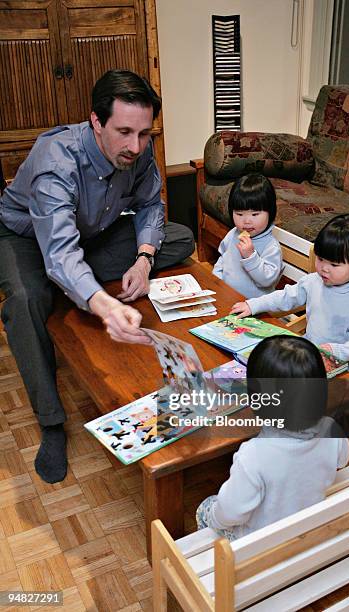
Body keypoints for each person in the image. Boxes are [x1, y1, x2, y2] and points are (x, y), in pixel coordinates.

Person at [0, 69, 194, 484]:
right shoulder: (57, 159)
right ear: (95, 121)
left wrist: (143, 260)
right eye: (124, 132)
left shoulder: (139, 150)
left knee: (178, 238)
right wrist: (102, 304)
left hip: (89, 234)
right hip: (27, 237)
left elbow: (151, 208)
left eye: (144, 134)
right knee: (25, 299)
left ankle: (68, 286)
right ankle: (51, 422)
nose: (135, 146)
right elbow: (59, 248)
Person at [196, 335, 349, 540]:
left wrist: (214, 517)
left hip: (260, 549)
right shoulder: (332, 429)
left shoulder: (253, 455)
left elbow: (230, 513)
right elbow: (343, 460)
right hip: (308, 529)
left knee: (206, 507)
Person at [231, 214, 349, 369]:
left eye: (334, 265)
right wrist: (253, 305)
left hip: (345, 365)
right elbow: (286, 296)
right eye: (320, 259)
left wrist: (337, 351)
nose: (324, 268)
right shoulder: (314, 281)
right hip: (311, 354)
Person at [212, 173, 282, 298]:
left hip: (254, 307)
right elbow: (223, 258)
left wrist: (250, 256)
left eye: (255, 214)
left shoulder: (271, 247)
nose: (247, 221)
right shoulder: (233, 234)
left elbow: (267, 281)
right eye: (239, 214)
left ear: (270, 212)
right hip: (227, 297)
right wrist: (216, 280)